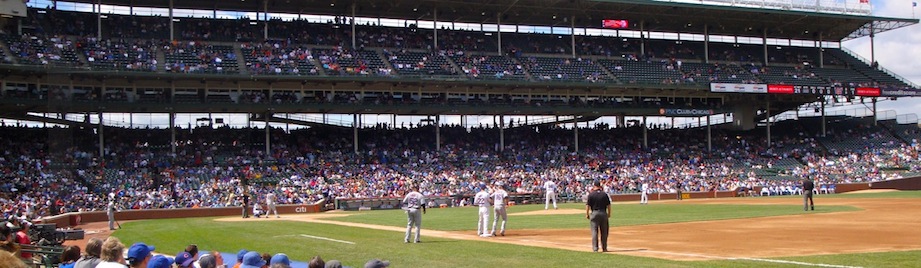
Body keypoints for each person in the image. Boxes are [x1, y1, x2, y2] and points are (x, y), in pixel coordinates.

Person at [586, 181, 611, 252]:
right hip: (603, 213)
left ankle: (595, 248)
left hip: (594, 213)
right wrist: (609, 213)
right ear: (600, 186)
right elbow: (608, 205)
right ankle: (604, 248)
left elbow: (587, 205)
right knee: (604, 232)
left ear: (594, 186)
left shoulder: (591, 194)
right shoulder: (604, 194)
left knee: (594, 231)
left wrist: (587, 214)